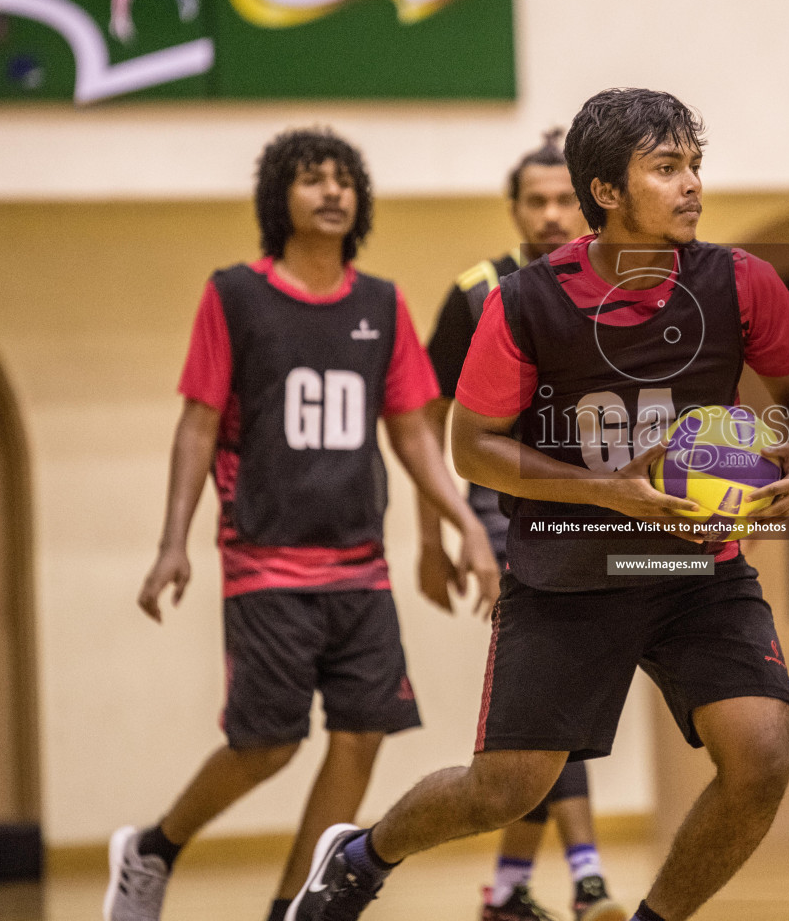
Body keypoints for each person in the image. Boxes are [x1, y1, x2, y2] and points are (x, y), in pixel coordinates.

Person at [285, 88, 789, 921]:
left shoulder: (741, 282)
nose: (691, 186)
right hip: (569, 574)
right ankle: (360, 856)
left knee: (762, 756)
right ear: (607, 191)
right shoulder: (526, 302)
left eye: (694, 167)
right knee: (504, 790)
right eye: (666, 169)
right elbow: (474, 446)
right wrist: (610, 491)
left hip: (697, 569)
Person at [104, 128, 500, 921]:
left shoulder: (381, 302)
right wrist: (171, 544)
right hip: (265, 560)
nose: (332, 192)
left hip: (360, 563)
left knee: (363, 733)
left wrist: (466, 523)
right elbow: (197, 423)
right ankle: (154, 849)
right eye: (312, 178)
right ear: (277, 197)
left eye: (344, 179)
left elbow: (415, 430)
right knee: (269, 745)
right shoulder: (235, 295)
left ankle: (297, 907)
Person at [418, 130, 625, 921]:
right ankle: (588, 879)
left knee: (553, 704)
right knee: (557, 694)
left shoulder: (622, 286)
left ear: (590, 201)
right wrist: (439, 535)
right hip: (508, 522)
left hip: (604, 515)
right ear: (513, 209)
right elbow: (424, 424)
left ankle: (507, 891)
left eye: (562, 200)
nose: (549, 215)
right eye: (534, 201)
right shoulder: (479, 293)